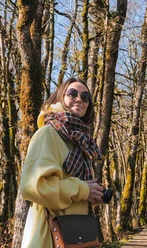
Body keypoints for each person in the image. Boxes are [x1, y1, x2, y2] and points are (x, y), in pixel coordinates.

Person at [19, 77, 105, 247]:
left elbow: (72, 188)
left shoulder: (81, 141)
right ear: (60, 97)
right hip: (49, 235)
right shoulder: (47, 134)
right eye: (72, 94)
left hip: (78, 233)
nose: (79, 99)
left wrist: (91, 195)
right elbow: (33, 186)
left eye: (85, 97)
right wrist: (82, 190)